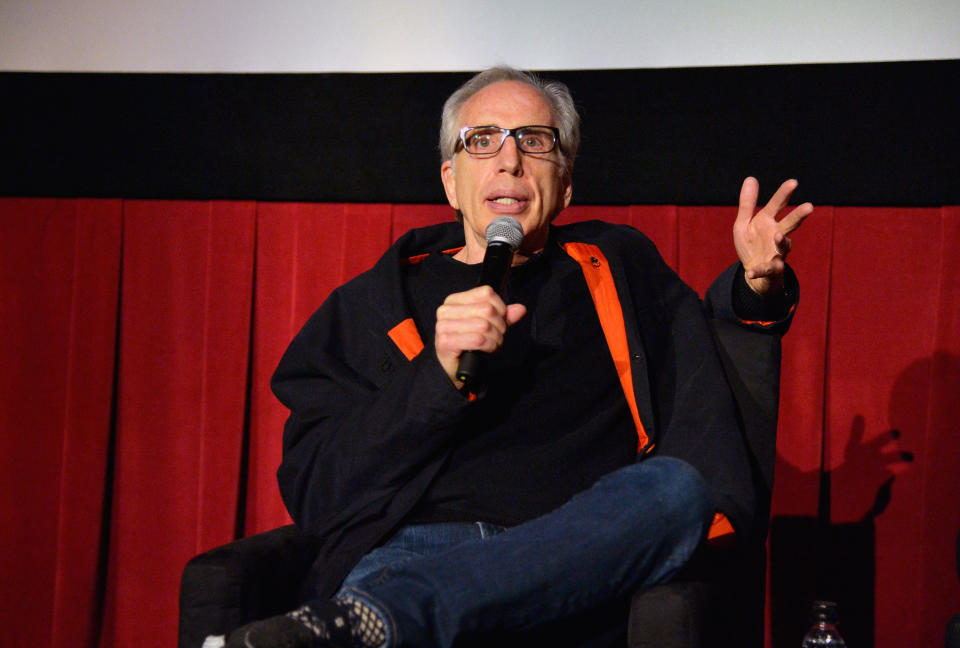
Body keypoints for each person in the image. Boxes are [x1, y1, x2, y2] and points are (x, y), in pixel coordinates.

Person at [224, 66, 812, 648]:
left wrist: (755, 284)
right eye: (483, 141)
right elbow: (318, 489)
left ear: (566, 182)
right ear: (451, 181)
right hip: (412, 554)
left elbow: (705, 346)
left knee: (676, 491)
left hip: (571, 563)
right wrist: (435, 374)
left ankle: (380, 622)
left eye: (535, 141)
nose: (510, 160)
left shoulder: (619, 265)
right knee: (391, 596)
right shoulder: (368, 309)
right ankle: (388, 617)